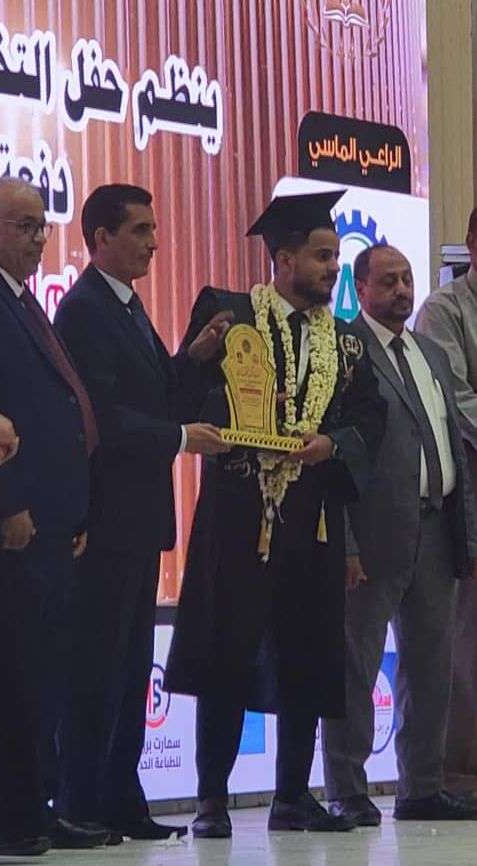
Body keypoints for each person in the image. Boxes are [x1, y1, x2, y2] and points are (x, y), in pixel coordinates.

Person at [164, 191, 386, 838]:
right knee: (225, 653)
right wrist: (198, 358)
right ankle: (210, 800)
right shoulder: (229, 314)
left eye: (335, 257)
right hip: (238, 511)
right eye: (321, 257)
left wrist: (332, 445)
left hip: (311, 516)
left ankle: (292, 796)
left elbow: (368, 417)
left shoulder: (345, 342)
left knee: (306, 654)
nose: (332, 269)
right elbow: (176, 396)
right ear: (283, 259)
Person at [54, 183, 231, 841]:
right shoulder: (82, 311)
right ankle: (80, 803)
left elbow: (160, 392)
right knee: (96, 670)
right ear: (100, 238)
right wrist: (181, 437)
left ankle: (121, 801)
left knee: (129, 672)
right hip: (105, 521)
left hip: (138, 521)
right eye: (139, 231)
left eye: (154, 230)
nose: (154, 243)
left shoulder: (126, 306)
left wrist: (196, 358)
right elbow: (104, 417)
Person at [322, 244, 477, 825]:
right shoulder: (346, 351)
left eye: (407, 279)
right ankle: (347, 789)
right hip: (374, 534)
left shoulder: (430, 353)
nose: (402, 291)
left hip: (437, 529)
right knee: (356, 666)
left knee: (432, 666)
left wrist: (467, 537)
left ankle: (422, 788)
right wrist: (346, 543)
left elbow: (454, 444)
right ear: (359, 289)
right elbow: (338, 457)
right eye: (387, 281)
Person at [0, 177, 108, 853]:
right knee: (15, 676)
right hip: (13, 525)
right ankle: (8, 815)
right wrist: (11, 504)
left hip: (54, 523)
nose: (38, 239)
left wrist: (72, 509)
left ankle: (37, 804)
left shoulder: (20, 299)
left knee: (45, 672)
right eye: (24, 226)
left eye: (42, 226)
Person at [415, 211, 477, 794]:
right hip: (467, 500)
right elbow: (457, 402)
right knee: (465, 641)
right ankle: (458, 774)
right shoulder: (445, 310)